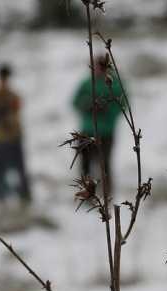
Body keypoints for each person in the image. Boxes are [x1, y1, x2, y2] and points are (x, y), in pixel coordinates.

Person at [72, 55, 124, 193]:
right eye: (94, 66)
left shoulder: (115, 84)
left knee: (104, 165)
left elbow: (122, 105)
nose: (96, 70)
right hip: (86, 131)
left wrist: (106, 109)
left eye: (99, 66)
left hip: (106, 132)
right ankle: (87, 194)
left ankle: (107, 194)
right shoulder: (87, 83)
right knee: (85, 165)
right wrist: (86, 105)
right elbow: (75, 102)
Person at [0, 63, 32, 206]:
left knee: (20, 169)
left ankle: (24, 197)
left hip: (14, 137)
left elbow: (17, 109)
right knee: (0, 170)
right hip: (1, 138)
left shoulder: (14, 96)